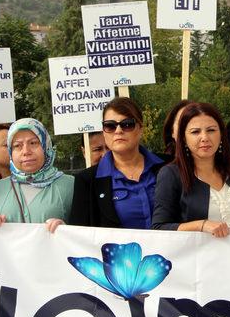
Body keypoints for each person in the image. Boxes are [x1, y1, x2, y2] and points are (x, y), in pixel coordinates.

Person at [152, 102, 230, 236]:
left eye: (211, 130)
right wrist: (201, 225)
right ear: (183, 138)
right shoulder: (171, 175)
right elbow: (159, 227)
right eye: (195, 132)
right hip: (198, 255)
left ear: (221, 134)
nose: (205, 138)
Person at [70, 97, 164, 229]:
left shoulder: (169, 165)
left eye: (127, 124)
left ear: (140, 128)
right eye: (110, 126)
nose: (118, 131)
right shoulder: (87, 181)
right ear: (104, 131)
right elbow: (79, 234)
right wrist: (61, 230)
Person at [0, 119, 73, 232]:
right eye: (17, 145)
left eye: (33, 143)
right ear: (11, 152)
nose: (26, 151)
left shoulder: (70, 185)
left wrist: (67, 229)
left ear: (46, 146)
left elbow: (87, 233)